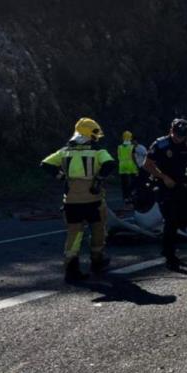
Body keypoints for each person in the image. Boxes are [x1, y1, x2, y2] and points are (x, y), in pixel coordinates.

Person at [41, 118, 116, 282]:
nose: (97, 137)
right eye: (95, 134)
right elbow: (110, 164)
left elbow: (45, 164)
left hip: (71, 201)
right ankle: (97, 262)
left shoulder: (65, 151)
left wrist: (61, 177)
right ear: (89, 134)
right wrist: (98, 179)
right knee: (98, 231)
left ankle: (71, 269)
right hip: (93, 200)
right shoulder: (97, 151)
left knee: (74, 235)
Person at [143, 118, 187, 269]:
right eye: (176, 135)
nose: (178, 138)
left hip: (180, 184)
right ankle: (169, 254)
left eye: (181, 136)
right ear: (171, 131)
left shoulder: (186, 144)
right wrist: (163, 177)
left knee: (181, 217)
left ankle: (171, 247)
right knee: (171, 219)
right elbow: (147, 164)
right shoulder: (160, 144)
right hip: (163, 184)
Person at [117, 131, 139, 208]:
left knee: (124, 184)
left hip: (122, 166)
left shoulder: (119, 147)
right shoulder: (132, 147)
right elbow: (133, 157)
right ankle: (132, 197)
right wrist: (137, 165)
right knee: (134, 182)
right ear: (130, 138)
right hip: (131, 166)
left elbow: (119, 157)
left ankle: (125, 198)